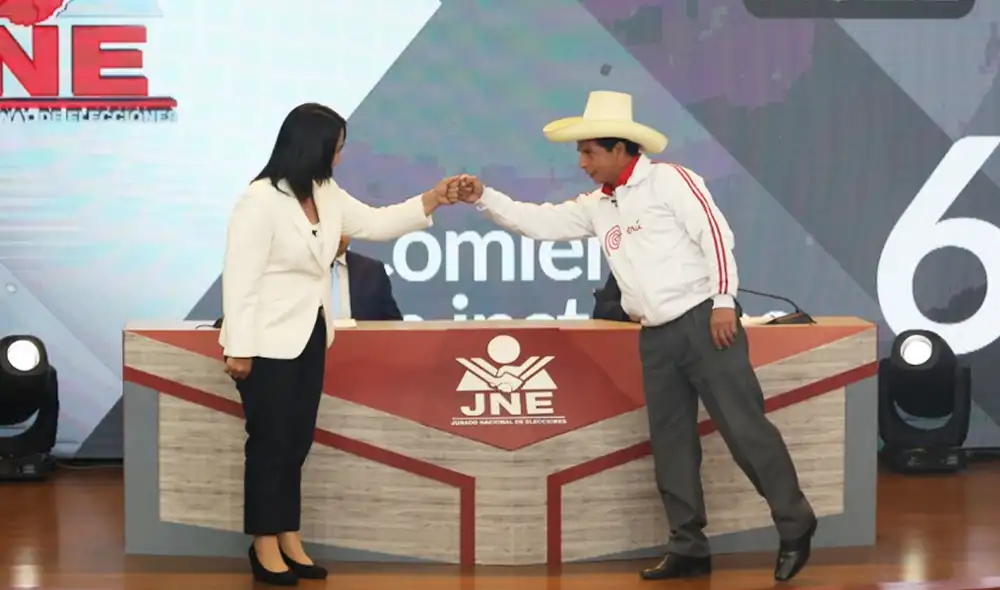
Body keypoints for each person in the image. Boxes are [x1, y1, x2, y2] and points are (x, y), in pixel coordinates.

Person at [448, 91, 817, 582]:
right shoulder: (599, 205)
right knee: (670, 444)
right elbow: (540, 223)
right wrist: (484, 198)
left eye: (589, 152)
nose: (581, 163)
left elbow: (716, 235)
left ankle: (795, 524)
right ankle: (688, 546)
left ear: (620, 149)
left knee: (744, 430)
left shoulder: (670, 181)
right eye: (580, 153)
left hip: (705, 321)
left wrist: (724, 301)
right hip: (655, 335)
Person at [219, 102, 457, 586]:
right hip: (263, 343)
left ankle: (289, 537)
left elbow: (377, 223)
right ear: (313, 147)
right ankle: (263, 545)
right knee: (270, 444)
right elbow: (240, 280)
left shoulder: (326, 193)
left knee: (297, 443)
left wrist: (433, 198)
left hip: (310, 337)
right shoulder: (259, 200)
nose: (341, 157)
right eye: (338, 147)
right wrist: (238, 347)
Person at [329, 237, 403, 321]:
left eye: (343, 228)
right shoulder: (310, 269)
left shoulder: (373, 270)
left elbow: (393, 322)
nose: (338, 236)